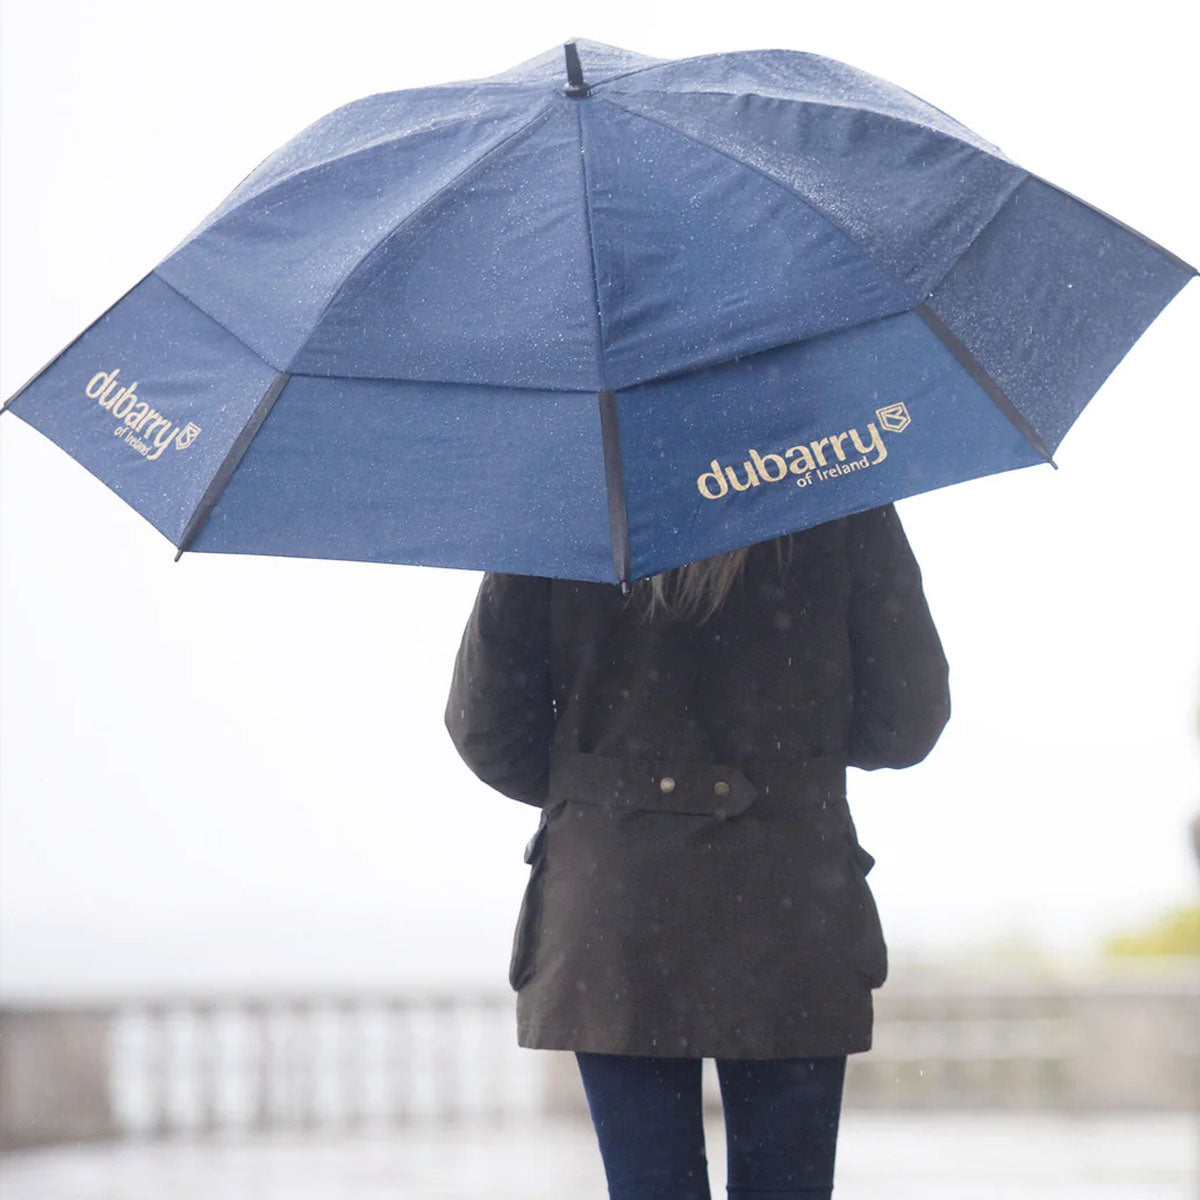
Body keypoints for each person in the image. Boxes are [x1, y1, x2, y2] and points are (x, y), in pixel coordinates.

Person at [444, 504, 951, 1200]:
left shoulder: (567, 507)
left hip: (613, 902)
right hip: (789, 891)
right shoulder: (833, 490)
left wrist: (610, 803)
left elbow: (487, 730)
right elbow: (905, 724)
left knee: (649, 1187)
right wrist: (798, 756)